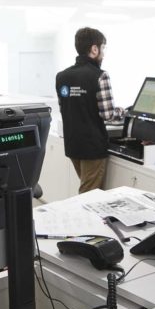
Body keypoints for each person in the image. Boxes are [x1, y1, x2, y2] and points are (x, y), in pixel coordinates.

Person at [56, 27, 115, 193]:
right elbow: (108, 114)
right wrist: (123, 112)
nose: (103, 53)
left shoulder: (62, 76)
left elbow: (65, 108)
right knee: (88, 195)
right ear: (94, 49)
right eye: (103, 48)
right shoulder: (100, 75)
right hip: (93, 146)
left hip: (73, 144)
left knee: (87, 189)